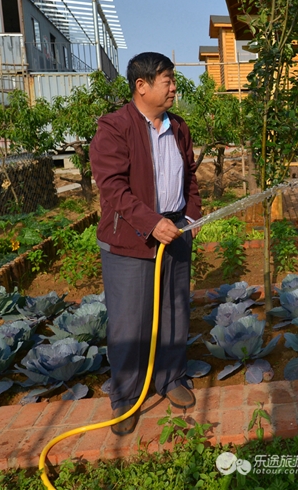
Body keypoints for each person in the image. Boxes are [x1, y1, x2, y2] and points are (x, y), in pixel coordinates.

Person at [90, 52, 201, 436]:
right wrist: (152, 223)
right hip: (130, 239)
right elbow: (112, 188)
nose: (174, 87)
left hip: (176, 232)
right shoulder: (115, 127)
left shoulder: (178, 127)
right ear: (142, 86)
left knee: (174, 309)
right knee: (130, 321)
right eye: (167, 80)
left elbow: (190, 178)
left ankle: (171, 378)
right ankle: (126, 397)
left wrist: (190, 218)